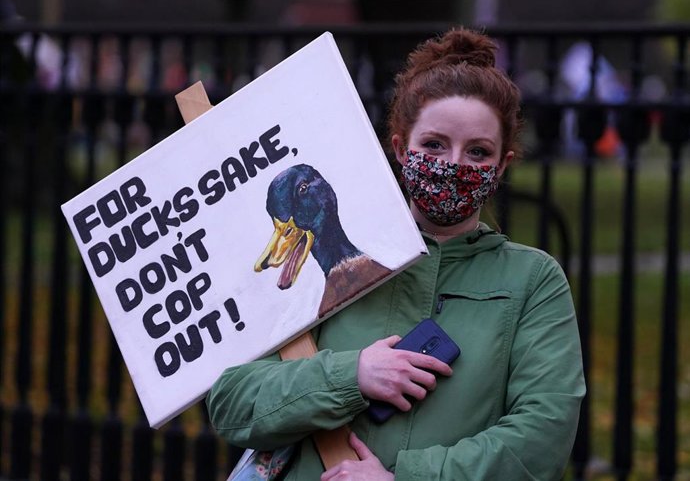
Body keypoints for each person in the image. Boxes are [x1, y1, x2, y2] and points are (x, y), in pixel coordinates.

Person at [207, 27, 586, 481]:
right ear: (401, 147)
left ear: (502, 164)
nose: (454, 164)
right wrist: (353, 375)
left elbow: (541, 437)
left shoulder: (533, 281)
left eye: (478, 151)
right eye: (434, 145)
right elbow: (233, 402)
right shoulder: (313, 269)